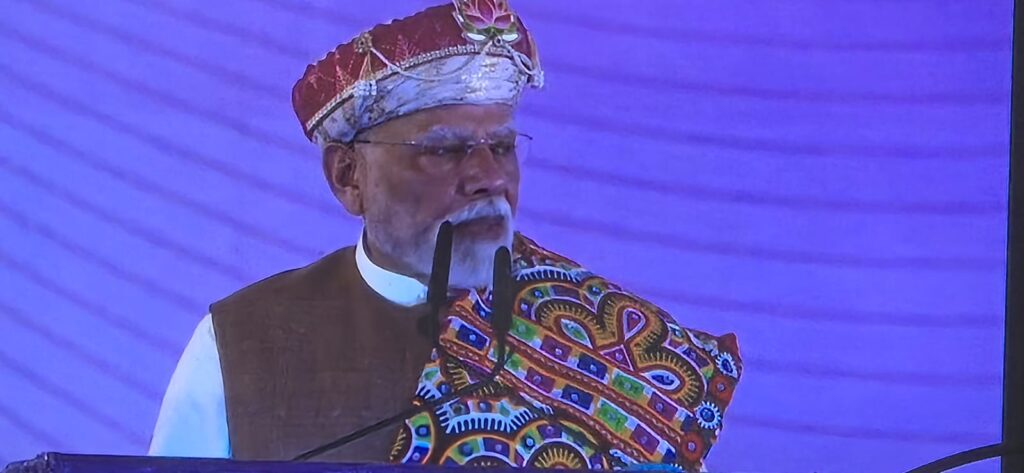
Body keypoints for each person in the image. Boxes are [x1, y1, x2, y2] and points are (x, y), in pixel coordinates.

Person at [149, 1, 742, 471]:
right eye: (444, 150)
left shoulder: (621, 344)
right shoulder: (243, 340)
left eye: (502, 147)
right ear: (348, 176)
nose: (489, 177)